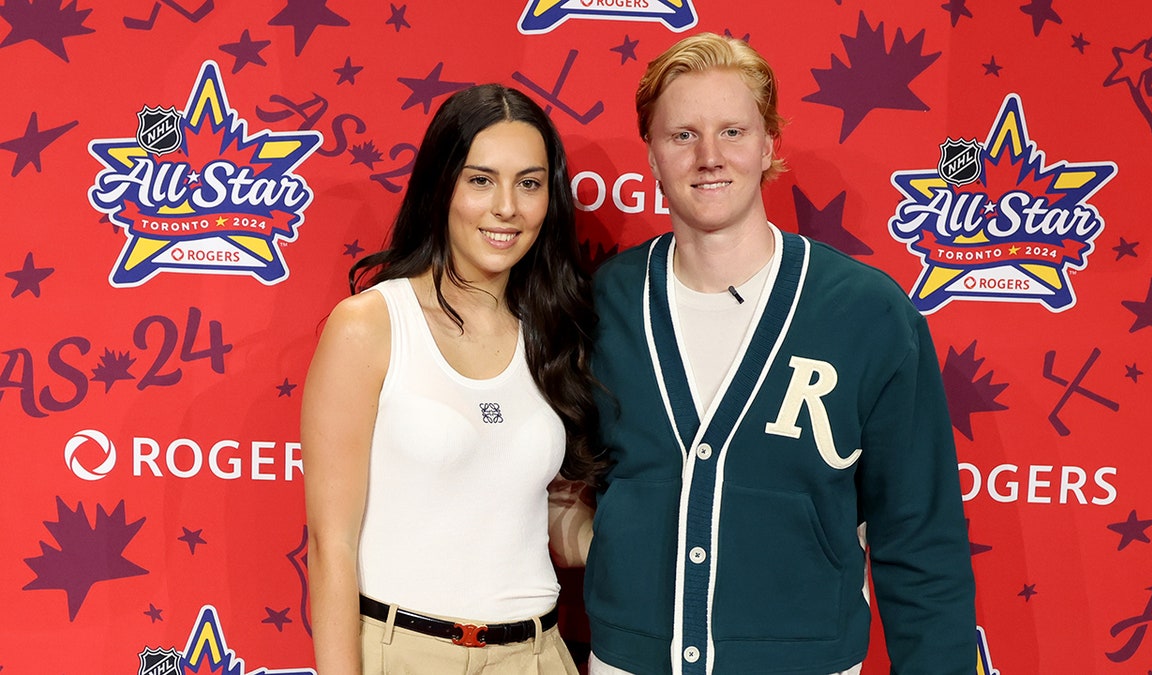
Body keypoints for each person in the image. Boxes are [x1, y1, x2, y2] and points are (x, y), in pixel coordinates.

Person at [582, 33, 977, 674]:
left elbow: (920, 537)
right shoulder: (604, 303)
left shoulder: (867, 313)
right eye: (682, 135)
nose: (709, 157)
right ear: (650, 153)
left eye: (732, 131)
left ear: (769, 144)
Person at [301, 83, 602, 675]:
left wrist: (661, 533)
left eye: (530, 183)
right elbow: (329, 545)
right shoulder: (371, 326)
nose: (507, 207)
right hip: (404, 653)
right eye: (481, 179)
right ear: (442, 187)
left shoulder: (556, 331)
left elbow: (539, 516)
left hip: (538, 656)